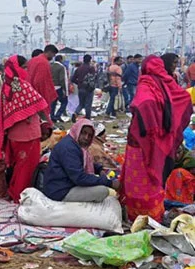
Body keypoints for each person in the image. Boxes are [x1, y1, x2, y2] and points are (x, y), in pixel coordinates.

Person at [121, 55, 192, 222]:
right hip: (159, 138)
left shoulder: (147, 83)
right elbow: (184, 99)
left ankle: (137, 215)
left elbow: (142, 104)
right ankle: (153, 214)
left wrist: (149, 125)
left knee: (140, 177)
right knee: (153, 176)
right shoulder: (166, 83)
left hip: (142, 139)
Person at [0, 55, 51, 203]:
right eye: (25, 67)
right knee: (27, 168)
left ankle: (14, 191)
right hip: (28, 135)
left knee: (19, 166)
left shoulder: (7, 86)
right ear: (17, 68)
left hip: (15, 134)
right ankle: (20, 196)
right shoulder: (20, 85)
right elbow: (40, 103)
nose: (27, 70)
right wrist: (47, 122)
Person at [43, 120, 118, 202]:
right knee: (102, 191)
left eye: (89, 135)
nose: (86, 137)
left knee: (98, 184)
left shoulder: (74, 144)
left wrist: (99, 169)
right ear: (77, 131)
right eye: (83, 133)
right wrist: (109, 183)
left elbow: (80, 162)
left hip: (67, 184)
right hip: (60, 191)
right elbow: (79, 178)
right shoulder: (69, 148)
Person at [27, 45, 59, 110]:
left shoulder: (31, 60)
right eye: (53, 55)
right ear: (50, 52)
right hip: (39, 95)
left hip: (29, 93)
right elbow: (40, 81)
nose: (53, 57)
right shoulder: (44, 62)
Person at [71, 54, 97, 121]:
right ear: (90, 60)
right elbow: (93, 78)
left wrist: (79, 83)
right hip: (89, 88)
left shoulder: (78, 69)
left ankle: (75, 113)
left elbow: (73, 79)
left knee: (81, 104)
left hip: (80, 88)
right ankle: (88, 118)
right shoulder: (91, 68)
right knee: (88, 104)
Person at [50, 55, 69, 123]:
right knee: (64, 102)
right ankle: (58, 115)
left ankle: (52, 116)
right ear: (61, 59)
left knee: (53, 103)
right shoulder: (61, 67)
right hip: (59, 87)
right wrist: (64, 89)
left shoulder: (50, 65)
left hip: (51, 87)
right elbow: (62, 79)